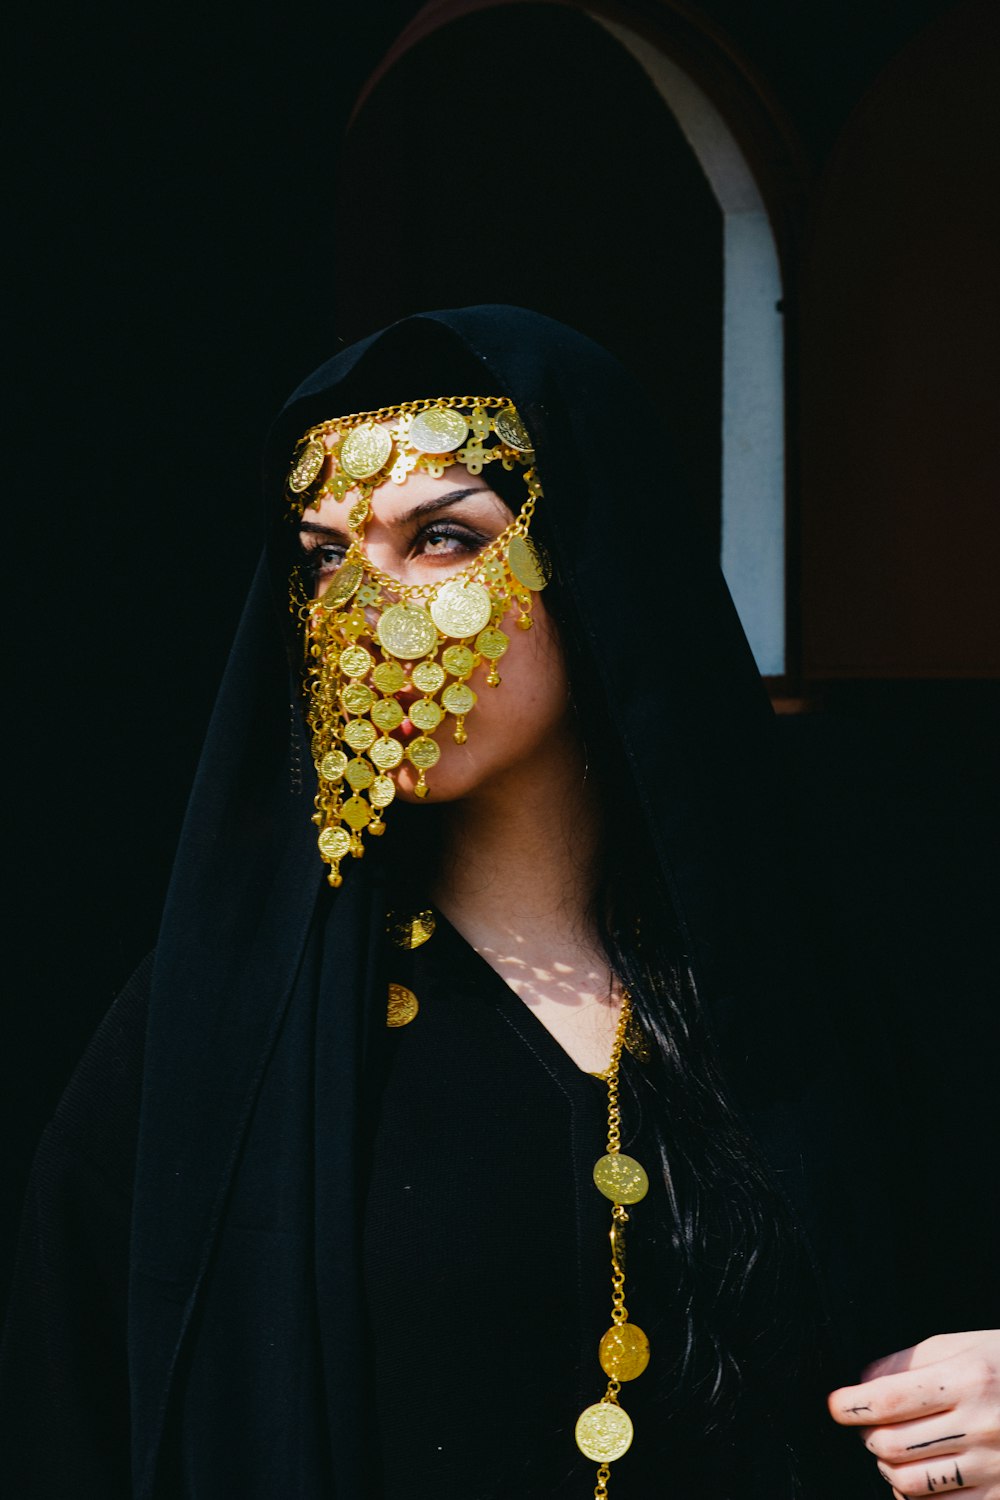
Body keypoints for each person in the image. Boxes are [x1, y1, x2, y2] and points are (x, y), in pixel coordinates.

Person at [2, 305, 999, 1500]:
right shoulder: (209, 1033)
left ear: (585, 556)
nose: (364, 617)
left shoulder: (831, 981)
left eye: (438, 539)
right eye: (324, 556)